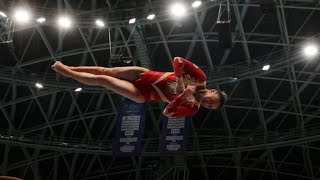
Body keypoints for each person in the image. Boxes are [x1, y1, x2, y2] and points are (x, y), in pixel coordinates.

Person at [51, 57, 228, 118]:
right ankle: (68, 68)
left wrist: (182, 96)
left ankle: (67, 72)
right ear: (213, 91)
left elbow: (167, 113)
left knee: (103, 80)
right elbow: (178, 60)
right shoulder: (199, 78)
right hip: (144, 74)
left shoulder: (192, 108)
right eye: (211, 101)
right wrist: (181, 82)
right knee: (104, 70)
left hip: (142, 94)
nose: (207, 104)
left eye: (210, 107)